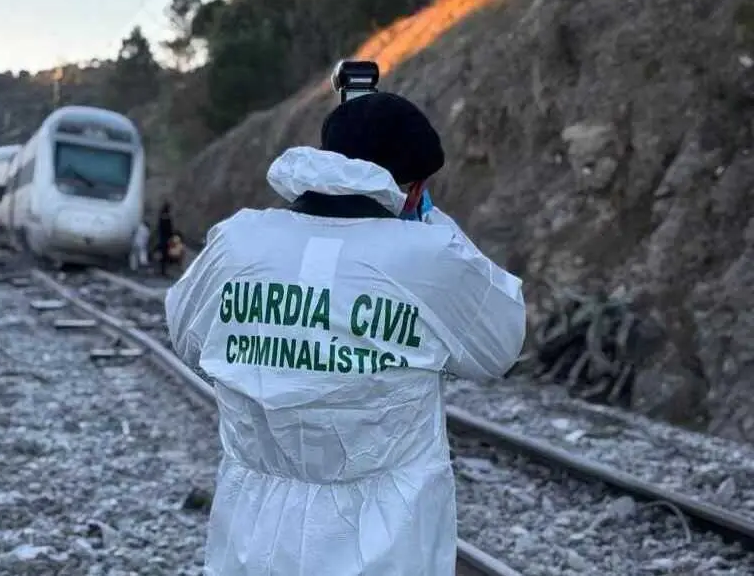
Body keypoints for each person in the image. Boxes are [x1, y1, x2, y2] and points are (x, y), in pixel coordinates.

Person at [164, 91, 527, 575]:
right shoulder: (431, 257)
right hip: (386, 545)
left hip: (252, 538)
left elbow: (188, 339)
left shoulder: (237, 242)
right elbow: (501, 345)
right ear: (414, 190)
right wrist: (432, 223)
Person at [156, 202, 175, 276]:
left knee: (162, 255)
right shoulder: (168, 218)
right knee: (165, 256)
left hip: (161, 238)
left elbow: (159, 228)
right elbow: (170, 230)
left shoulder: (161, 217)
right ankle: (163, 271)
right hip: (167, 239)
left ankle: (161, 270)